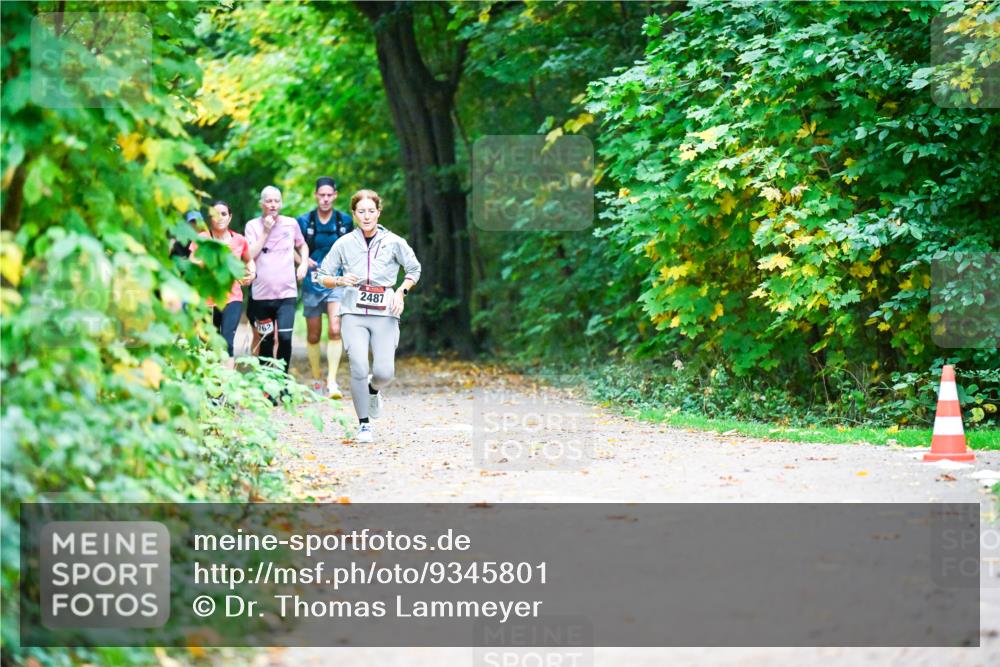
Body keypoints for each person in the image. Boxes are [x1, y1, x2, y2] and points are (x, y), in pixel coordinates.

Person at [317, 189, 420, 443]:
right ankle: (364, 425)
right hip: (353, 311)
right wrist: (340, 280)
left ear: (378, 212)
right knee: (359, 367)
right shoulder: (343, 243)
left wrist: (401, 292)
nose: (366, 216)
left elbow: (414, 269)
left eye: (371, 211)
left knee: (384, 372)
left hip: (385, 311)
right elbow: (322, 276)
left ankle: (374, 390)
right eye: (361, 212)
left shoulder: (394, 242)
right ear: (353, 214)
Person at [296, 177, 353, 398]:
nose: (326, 199)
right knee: (313, 335)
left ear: (335, 196)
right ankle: (317, 378)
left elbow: (351, 247)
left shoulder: (344, 221)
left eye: (329, 195)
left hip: (336, 282)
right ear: (315, 195)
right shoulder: (304, 221)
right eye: (322, 195)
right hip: (312, 282)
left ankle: (332, 382)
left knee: (335, 329)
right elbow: (293, 247)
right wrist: (302, 260)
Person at [244, 185, 309, 375]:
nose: (273, 204)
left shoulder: (291, 223)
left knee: (285, 338)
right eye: (269, 201)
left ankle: (282, 380)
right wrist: (265, 231)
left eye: (276, 201)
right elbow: (249, 255)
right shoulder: (252, 226)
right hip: (261, 296)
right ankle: (267, 385)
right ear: (262, 203)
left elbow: (302, 245)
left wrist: (303, 264)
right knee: (266, 341)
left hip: (286, 294)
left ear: (281, 203)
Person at [191, 201, 255, 368]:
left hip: (232, 297)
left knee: (227, 342)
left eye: (224, 214)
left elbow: (249, 261)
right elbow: (192, 262)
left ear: (230, 217)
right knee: (209, 343)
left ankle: (226, 388)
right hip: (207, 299)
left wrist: (252, 274)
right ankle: (211, 385)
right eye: (215, 214)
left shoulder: (239, 240)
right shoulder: (203, 239)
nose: (220, 218)